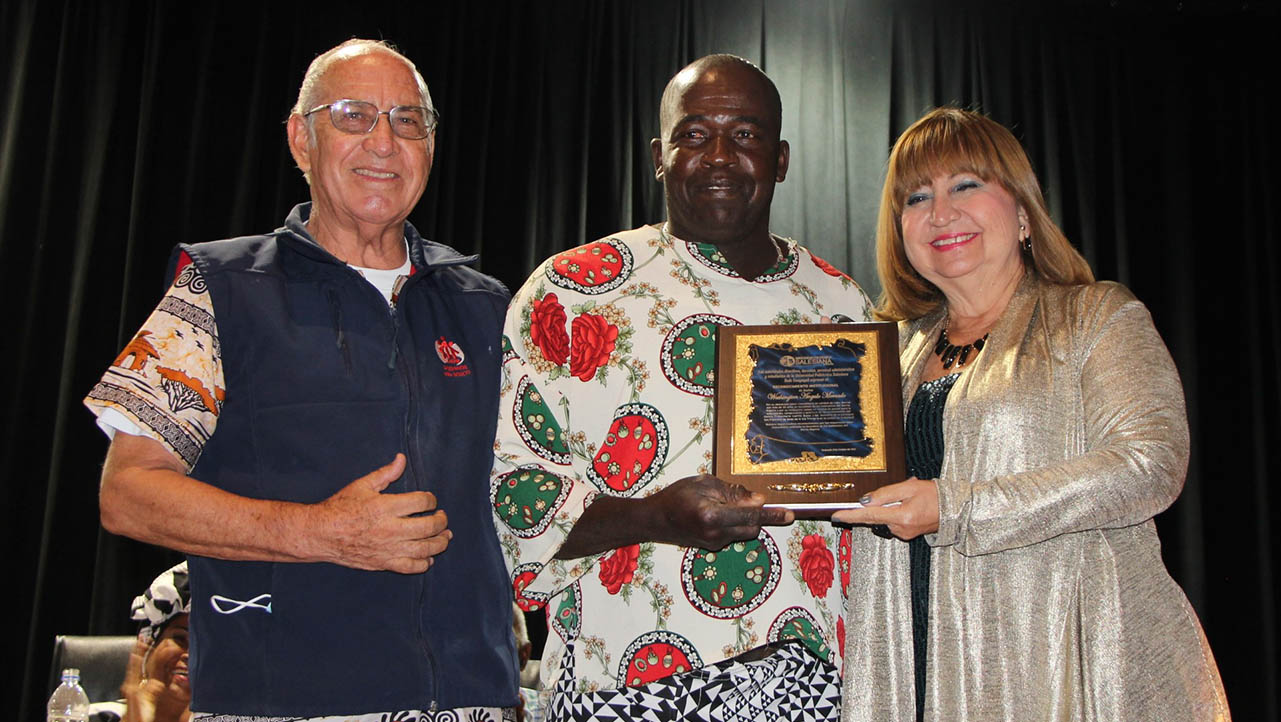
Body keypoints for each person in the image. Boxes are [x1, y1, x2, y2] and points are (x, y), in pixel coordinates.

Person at [84, 39, 517, 721]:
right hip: (280, 700)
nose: (383, 142)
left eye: (408, 120)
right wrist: (318, 532)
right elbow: (128, 494)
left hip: (469, 701)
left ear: (431, 146)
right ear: (300, 138)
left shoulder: (487, 305)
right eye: (353, 116)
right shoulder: (220, 290)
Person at [490, 54, 873, 721]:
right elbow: (510, 498)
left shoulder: (839, 300)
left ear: (780, 158)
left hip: (809, 676)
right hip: (629, 679)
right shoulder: (575, 289)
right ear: (658, 155)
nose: (719, 155)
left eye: (746, 134)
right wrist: (654, 517)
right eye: (694, 134)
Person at [833, 107, 1230, 721]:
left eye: (965, 185)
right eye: (916, 197)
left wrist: (957, 506)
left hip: (1066, 655)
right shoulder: (891, 353)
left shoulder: (1097, 317)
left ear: (1022, 212)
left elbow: (1150, 463)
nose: (941, 213)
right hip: (912, 653)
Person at [91, 562, 193, 722]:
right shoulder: (96, 717)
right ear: (148, 647)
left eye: (206, 649)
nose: (191, 655)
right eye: (180, 639)